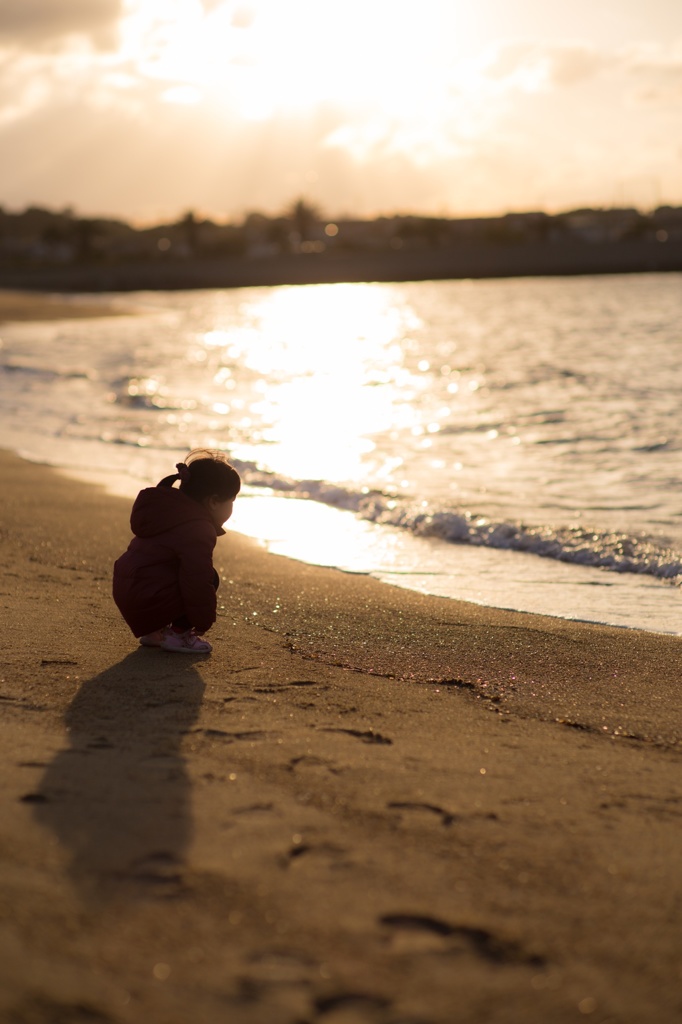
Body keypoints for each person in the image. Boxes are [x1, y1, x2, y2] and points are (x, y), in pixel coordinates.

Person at [113, 449, 241, 654]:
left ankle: (154, 632)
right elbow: (197, 580)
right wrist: (202, 620)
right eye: (232, 500)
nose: (233, 507)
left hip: (126, 591)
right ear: (214, 501)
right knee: (211, 577)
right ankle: (179, 636)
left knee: (164, 568)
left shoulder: (166, 510)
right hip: (148, 597)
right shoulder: (198, 528)